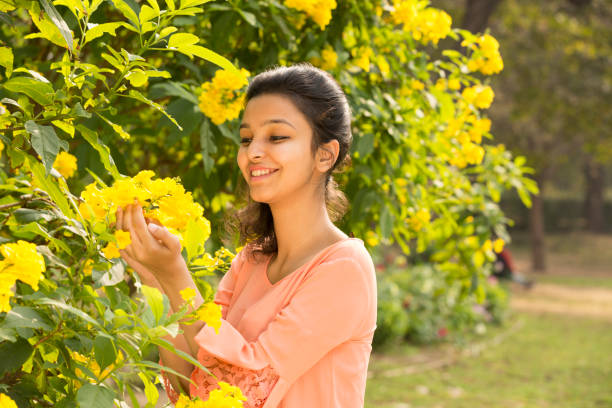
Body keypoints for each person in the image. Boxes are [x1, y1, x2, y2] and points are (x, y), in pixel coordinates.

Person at [115, 64, 377, 407]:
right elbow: (191, 382)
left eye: (277, 137)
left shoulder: (345, 269)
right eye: (246, 138)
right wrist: (157, 283)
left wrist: (175, 275)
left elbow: (242, 391)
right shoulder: (251, 260)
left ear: (324, 155)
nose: (253, 152)